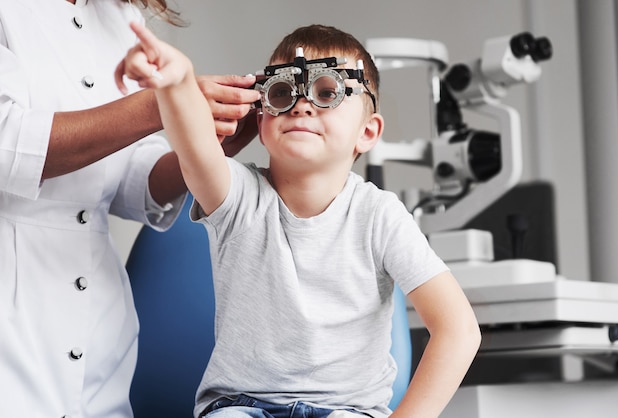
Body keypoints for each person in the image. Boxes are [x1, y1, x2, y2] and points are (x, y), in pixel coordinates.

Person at [116, 22, 481, 418]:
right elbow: (196, 149)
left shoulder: (380, 216)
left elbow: (458, 329)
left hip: (349, 410)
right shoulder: (238, 196)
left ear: (368, 132)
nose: (302, 104)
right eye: (283, 92)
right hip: (243, 407)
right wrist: (178, 83)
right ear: (261, 121)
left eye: (328, 92)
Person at [0, 1, 260, 417]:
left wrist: (204, 150)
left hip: (99, 324)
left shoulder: (121, 19)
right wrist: (165, 103)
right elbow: (7, 143)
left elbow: (127, 179)